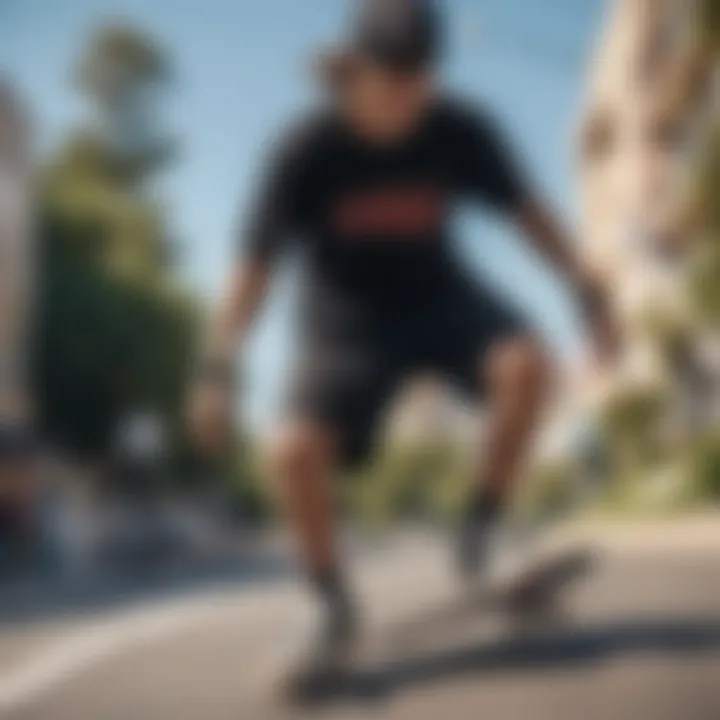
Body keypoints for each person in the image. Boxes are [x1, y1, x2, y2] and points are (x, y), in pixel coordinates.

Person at [188, 0, 616, 698]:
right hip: (346, 324)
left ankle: (479, 533)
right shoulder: (305, 150)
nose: (408, 104)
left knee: (528, 364)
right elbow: (253, 267)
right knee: (291, 450)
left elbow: (531, 215)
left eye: (421, 85)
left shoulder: (461, 131)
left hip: (440, 298)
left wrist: (585, 290)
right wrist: (216, 367)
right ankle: (330, 604)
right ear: (354, 73)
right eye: (392, 86)